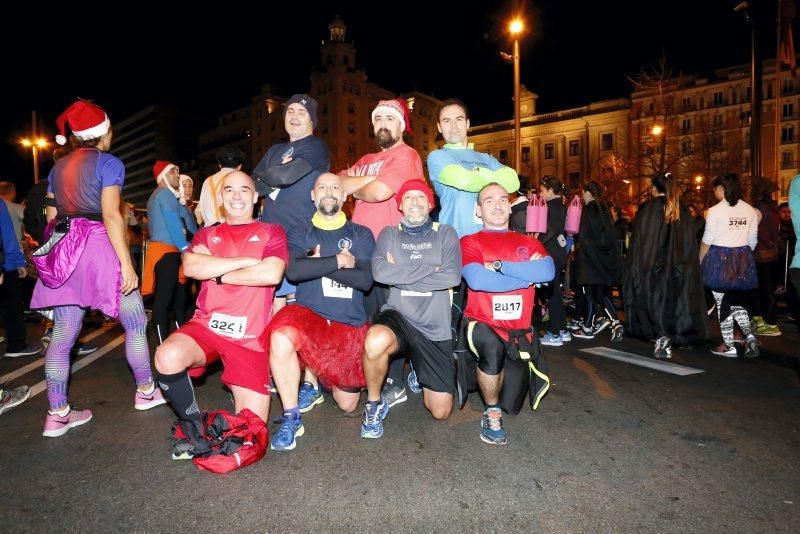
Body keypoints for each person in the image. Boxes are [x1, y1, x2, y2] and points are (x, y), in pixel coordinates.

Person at [29, 100, 165, 437]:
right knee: (133, 322)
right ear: (103, 132)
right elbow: (110, 214)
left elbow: (51, 218)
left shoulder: (56, 169)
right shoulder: (110, 162)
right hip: (98, 247)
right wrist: (127, 263)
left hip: (64, 249)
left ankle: (57, 412)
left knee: (63, 335)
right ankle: (146, 391)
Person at [154, 170, 287, 458]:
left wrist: (219, 273)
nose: (237, 196)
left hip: (249, 338)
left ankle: (229, 402)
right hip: (207, 327)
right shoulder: (207, 232)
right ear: (221, 198)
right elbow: (191, 267)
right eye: (229, 190)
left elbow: (271, 273)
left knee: (250, 434)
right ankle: (193, 426)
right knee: (167, 355)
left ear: (255, 197)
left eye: (244, 190)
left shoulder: (271, 232)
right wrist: (244, 262)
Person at [267, 173, 375, 450]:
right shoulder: (299, 232)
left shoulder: (360, 233)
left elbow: (365, 281)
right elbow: (294, 271)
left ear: (344, 196)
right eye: (322, 187)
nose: (329, 191)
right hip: (310, 318)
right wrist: (340, 261)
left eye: (335, 187)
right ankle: (291, 415)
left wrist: (318, 264)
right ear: (313, 195)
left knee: (348, 404)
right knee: (280, 335)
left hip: (347, 324)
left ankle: (319, 380)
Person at [360, 179, 461, 438]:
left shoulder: (446, 233)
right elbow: (380, 272)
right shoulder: (390, 234)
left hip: (434, 328)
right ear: (400, 206)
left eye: (420, 197)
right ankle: (374, 403)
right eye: (408, 198)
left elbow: (451, 277)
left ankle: (419, 368)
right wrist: (431, 269)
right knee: (374, 340)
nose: (414, 202)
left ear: (430, 203)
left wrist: (400, 272)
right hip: (399, 318)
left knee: (440, 412)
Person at [341, 98, 424, 403]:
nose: (383, 124)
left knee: (393, 315)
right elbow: (336, 184)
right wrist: (365, 180)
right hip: (361, 251)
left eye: (390, 118)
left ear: (402, 125)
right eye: (378, 119)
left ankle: (396, 378)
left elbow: (379, 192)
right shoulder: (366, 157)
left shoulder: (408, 154)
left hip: (392, 251)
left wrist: (356, 185)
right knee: (368, 315)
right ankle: (375, 369)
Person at [461, 183, 554, 445]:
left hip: (517, 333)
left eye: (503, 199)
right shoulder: (470, 241)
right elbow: (478, 280)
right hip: (482, 324)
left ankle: (493, 389)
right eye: (489, 201)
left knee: (512, 406)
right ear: (478, 210)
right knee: (491, 348)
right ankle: (491, 412)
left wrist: (500, 267)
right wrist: (526, 275)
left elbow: (547, 271)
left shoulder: (528, 241)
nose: (498, 205)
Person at [253, 94, 330, 312]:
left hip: (300, 237)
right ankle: (273, 345)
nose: (294, 116)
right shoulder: (274, 150)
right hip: (270, 237)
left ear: (312, 121)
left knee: (297, 303)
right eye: (290, 111)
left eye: (301, 112)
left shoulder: (316, 146)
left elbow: (285, 177)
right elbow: (252, 185)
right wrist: (278, 172)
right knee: (272, 298)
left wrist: (276, 173)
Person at [623, 173, 710, 358]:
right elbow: (688, 241)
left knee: (655, 301)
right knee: (673, 302)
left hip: (654, 265)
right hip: (677, 267)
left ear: (654, 189)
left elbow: (642, 240)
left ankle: (661, 335)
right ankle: (667, 335)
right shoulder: (682, 209)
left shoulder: (649, 208)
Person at [427, 98, 520, 238]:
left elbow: (513, 182)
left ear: (467, 123)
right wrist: (494, 178)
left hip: (494, 239)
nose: (453, 126)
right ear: (439, 127)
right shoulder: (437, 157)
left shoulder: (486, 158)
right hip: (457, 243)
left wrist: (478, 172)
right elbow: (465, 181)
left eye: (459, 119)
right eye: (447, 121)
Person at [699, 173, 760, 357]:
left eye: (716, 188)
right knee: (736, 301)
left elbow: (707, 239)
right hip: (742, 258)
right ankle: (749, 337)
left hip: (719, 259)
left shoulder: (715, 211)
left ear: (722, 189)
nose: (714, 192)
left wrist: (700, 260)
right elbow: (752, 241)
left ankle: (728, 345)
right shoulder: (750, 210)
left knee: (721, 302)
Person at [143, 161, 198, 342]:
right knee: (164, 300)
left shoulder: (158, 195)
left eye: (177, 171)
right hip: (167, 251)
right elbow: (172, 222)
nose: (177, 175)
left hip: (165, 251)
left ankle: (166, 340)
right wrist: (184, 248)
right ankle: (161, 342)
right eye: (173, 172)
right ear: (163, 176)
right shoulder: (165, 194)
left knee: (171, 298)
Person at [571, 181, 624, 341]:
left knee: (589, 295)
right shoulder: (603, 209)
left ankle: (587, 328)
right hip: (603, 261)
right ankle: (615, 323)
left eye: (582, 192)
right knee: (600, 294)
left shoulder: (589, 210)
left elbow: (584, 237)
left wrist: (576, 247)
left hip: (589, 262)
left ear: (587, 192)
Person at [537, 176, 571, 346]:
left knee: (552, 294)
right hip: (560, 253)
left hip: (551, 254)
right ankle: (563, 330)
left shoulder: (549, 207)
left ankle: (555, 333)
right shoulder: (563, 206)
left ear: (550, 191)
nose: (540, 194)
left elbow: (548, 231)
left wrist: (536, 240)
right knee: (556, 292)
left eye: (542, 190)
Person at [749, 177, 782, 336]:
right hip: (772, 254)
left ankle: (769, 323)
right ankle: (769, 322)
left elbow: (754, 234)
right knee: (768, 289)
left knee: (761, 289)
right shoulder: (773, 209)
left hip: (759, 254)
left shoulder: (758, 210)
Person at [197, 147, 245, 227]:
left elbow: (199, 210)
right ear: (240, 166)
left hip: (210, 231)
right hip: (231, 229)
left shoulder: (208, 181)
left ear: (219, 165)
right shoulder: (240, 179)